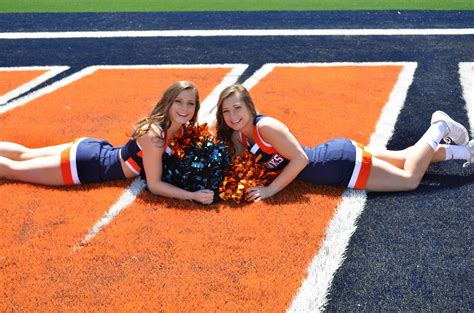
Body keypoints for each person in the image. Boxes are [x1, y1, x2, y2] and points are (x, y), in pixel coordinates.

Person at [215, 84, 474, 202]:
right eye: (226, 112)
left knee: (409, 179)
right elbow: (238, 164)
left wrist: (271, 191)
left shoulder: (266, 127)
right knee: (407, 156)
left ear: (250, 107)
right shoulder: (240, 135)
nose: (233, 116)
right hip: (336, 155)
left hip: (340, 166)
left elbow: (300, 160)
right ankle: (465, 151)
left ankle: (439, 125)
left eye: (237, 108)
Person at [0, 81, 215, 205]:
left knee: (25, 155)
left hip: (93, 149)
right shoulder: (155, 136)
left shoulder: (180, 129)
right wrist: (192, 196)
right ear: (168, 102)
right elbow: (155, 185)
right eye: (178, 101)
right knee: (13, 169)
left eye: (190, 103)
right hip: (84, 166)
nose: (184, 108)